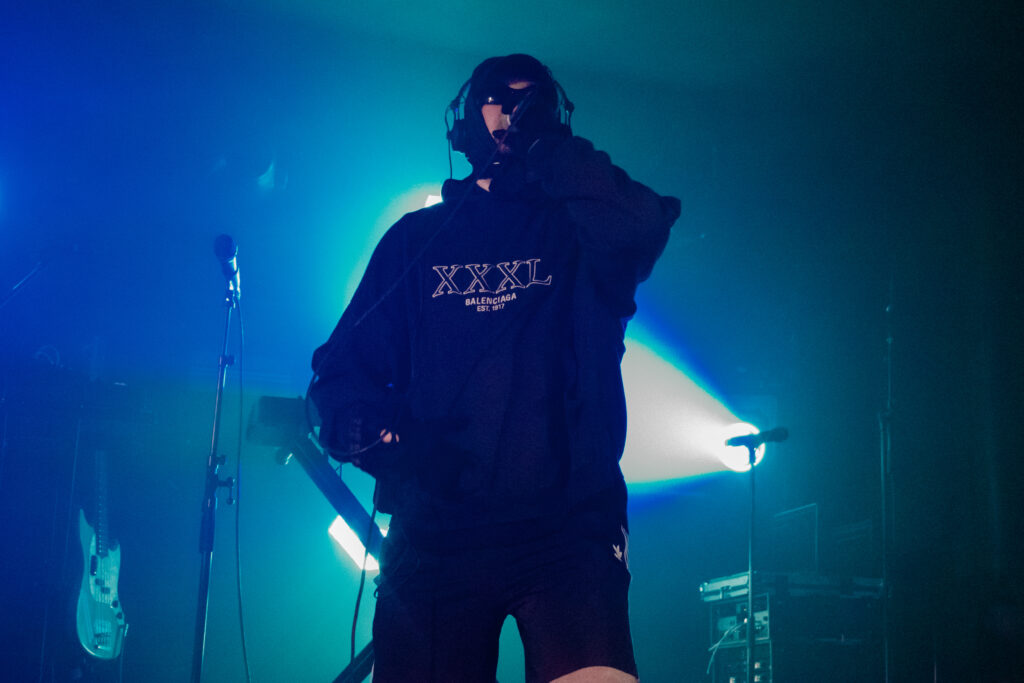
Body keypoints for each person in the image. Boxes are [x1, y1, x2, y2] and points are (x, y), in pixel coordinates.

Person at [310, 54, 680, 683]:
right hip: (436, 534)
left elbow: (642, 224)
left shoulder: (580, 232)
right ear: (465, 119)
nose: (511, 113)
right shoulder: (416, 240)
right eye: (498, 100)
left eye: (529, 102)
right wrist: (371, 433)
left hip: (569, 530)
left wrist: (548, 148)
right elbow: (343, 371)